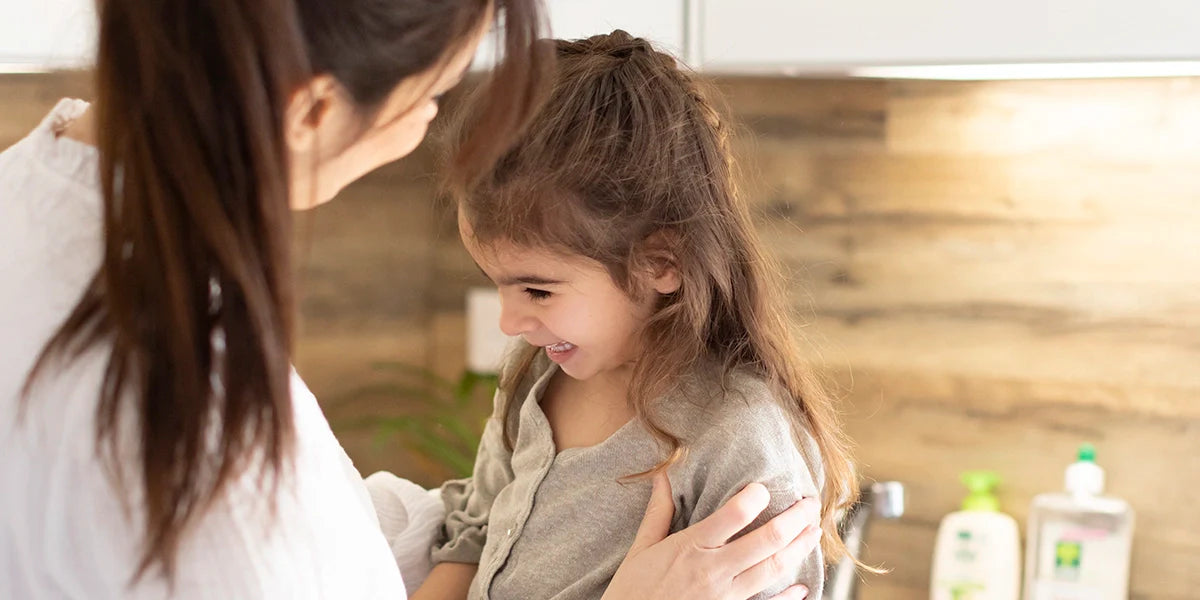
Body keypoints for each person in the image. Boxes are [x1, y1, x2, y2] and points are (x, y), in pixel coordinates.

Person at [0, 0, 821, 598]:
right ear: (314, 110)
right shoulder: (169, 371)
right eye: (427, 94)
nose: (425, 124)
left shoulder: (738, 439)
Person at [414, 30, 859, 600]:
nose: (510, 322)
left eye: (538, 290)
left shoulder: (736, 437)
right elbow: (472, 539)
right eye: (497, 284)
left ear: (661, 263)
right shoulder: (533, 378)